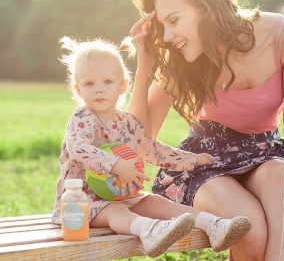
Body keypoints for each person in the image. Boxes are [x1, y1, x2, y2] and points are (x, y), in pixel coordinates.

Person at [124, 0, 284, 261]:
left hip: (267, 153)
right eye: (163, 25)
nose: (167, 36)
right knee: (248, 227)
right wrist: (144, 68)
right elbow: (139, 139)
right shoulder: (178, 58)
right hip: (205, 161)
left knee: (281, 176)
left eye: (174, 21)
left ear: (207, 9)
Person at [51, 36, 252, 258]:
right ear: (79, 90)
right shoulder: (82, 117)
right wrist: (117, 165)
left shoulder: (126, 121)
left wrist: (191, 159)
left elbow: (150, 149)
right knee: (115, 211)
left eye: (107, 82)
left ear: (122, 86)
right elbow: (79, 149)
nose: (99, 89)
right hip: (81, 204)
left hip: (121, 195)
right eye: (90, 84)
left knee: (156, 201)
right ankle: (149, 230)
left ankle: (214, 224)